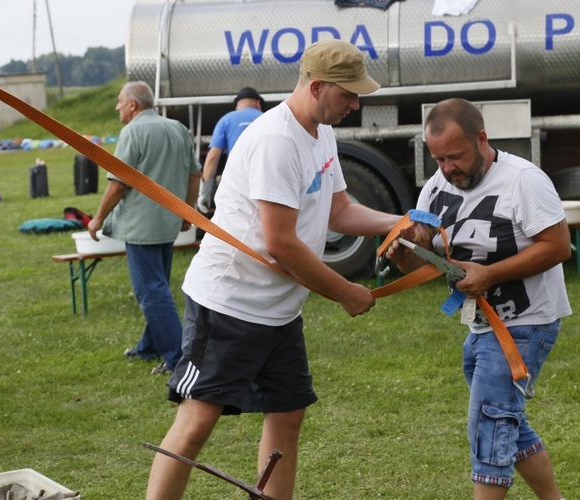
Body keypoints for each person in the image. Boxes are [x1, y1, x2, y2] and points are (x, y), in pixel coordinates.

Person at [145, 39, 402, 500]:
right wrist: (345, 290)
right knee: (196, 423)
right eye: (349, 94)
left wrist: (399, 222)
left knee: (287, 413)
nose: (356, 104)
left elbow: (339, 210)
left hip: (278, 312)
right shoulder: (275, 141)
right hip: (229, 303)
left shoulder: (320, 132)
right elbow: (281, 243)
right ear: (318, 87)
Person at [387, 98, 571, 499]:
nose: (448, 168)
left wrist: (491, 274)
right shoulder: (437, 187)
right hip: (482, 324)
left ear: (481, 138)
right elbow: (431, 261)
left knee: (489, 425)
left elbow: (558, 247)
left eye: (455, 156)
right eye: (439, 159)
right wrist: (408, 253)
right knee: (508, 421)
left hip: (526, 321)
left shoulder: (524, 180)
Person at [88, 81, 201, 375]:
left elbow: (118, 183)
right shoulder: (177, 128)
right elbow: (194, 175)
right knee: (158, 286)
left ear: (133, 105)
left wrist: (98, 217)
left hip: (142, 226)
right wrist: (186, 211)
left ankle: (179, 359)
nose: (117, 108)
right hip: (168, 222)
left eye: (119, 102)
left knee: (149, 291)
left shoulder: (132, 132)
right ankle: (149, 347)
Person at [197, 86, 264, 213]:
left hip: (238, 184)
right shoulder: (268, 118)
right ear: (258, 103)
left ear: (237, 106)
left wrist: (204, 193)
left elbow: (212, 157)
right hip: (266, 182)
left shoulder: (226, 120)